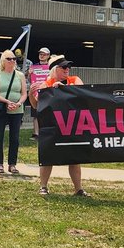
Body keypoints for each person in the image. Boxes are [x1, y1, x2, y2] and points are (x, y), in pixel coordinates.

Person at [35, 56, 90, 197]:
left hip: (72, 125)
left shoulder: (74, 80)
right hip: (53, 127)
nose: (67, 70)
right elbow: (37, 105)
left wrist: (63, 88)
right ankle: (43, 187)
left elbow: (82, 91)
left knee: (74, 158)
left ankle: (78, 189)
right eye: (64, 67)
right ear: (55, 69)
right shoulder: (46, 84)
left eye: (68, 67)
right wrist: (31, 94)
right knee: (48, 156)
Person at [0, 49, 27, 174]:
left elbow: (24, 94)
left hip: (17, 110)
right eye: (9, 59)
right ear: (3, 61)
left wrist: (18, 103)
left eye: (14, 59)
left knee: (15, 138)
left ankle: (12, 164)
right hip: (1, 108)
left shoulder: (20, 75)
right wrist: (7, 102)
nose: (12, 61)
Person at [26, 46, 52, 135]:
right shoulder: (34, 67)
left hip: (48, 92)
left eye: (44, 54)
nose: (41, 56)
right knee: (35, 113)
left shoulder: (51, 67)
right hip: (36, 92)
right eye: (40, 54)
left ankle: (46, 131)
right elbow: (29, 80)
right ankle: (36, 133)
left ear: (48, 55)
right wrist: (29, 74)